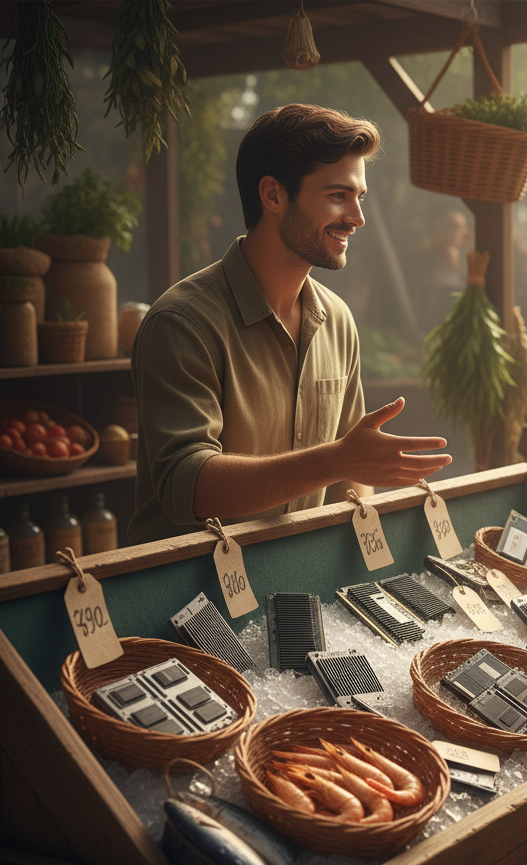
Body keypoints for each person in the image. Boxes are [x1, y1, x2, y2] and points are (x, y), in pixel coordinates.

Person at [129, 104, 451, 544]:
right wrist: (336, 461)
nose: (357, 218)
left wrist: (368, 573)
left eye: (359, 197)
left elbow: (348, 481)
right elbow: (185, 484)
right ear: (274, 195)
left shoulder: (337, 320)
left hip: (296, 582)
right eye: (338, 196)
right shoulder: (182, 324)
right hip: (188, 599)